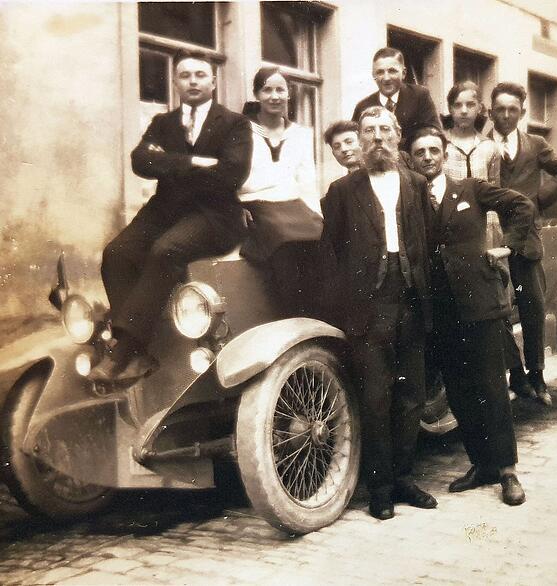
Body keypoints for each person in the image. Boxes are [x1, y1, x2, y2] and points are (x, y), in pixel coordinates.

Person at [90, 50, 252, 381]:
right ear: (175, 81)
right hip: (165, 210)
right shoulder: (162, 123)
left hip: (215, 214)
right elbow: (139, 161)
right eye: (185, 75)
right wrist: (193, 162)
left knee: (166, 250)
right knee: (116, 254)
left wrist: (168, 162)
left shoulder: (235, 123)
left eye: (200, 75)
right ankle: (138, 355)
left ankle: (124, 350)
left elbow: (232, 174)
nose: (193, 81)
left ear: (213, 81)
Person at [321, 106, 436, 520]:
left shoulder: (417, 184)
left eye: (385, 129)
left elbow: (429, 245)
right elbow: (330, 255)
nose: (377, 137)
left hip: (412, 301)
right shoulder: (342, 191)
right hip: (369, 307)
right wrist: (346, 309)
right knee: (376, 398)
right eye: (369, 131)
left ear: (398, 134)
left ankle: (405, 479)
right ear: (361, 138)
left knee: (410, 398)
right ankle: (380, 489)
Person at [410, 125, 534, 506]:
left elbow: (522, 206)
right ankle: (481, 464)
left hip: (479, 304)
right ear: (412, 159)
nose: (428, 156)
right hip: (440, 309)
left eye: (434, 149)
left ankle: (508, 472)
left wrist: (507, 248)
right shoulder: (410, 198)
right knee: (460, 392)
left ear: (445, 153)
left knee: (492, 388)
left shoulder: (471, 189)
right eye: (420, 152)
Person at [489, 82, 557, 406]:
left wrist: (538, 200)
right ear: (490, 112)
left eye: (512, 109)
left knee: (533, 306)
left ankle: (538, 375)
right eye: (499, 109)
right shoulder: (483, 146)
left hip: (526, 236)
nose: (505, 115)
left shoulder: (535, 144)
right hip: (492, 235)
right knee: (496, 308)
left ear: (522, 112)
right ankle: (516, 372)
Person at [238, 66, 322, 265]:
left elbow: (307, 182)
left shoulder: (300, 134)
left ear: (289, 93)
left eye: (280, 90)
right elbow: (227, 174)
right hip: (255, 206)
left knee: (321, 240)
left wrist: (317, 216)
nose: (274, 96)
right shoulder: (241, 130)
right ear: (256, 94)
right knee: (284, 243)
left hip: (294, 206)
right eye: (267, 90)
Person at [352, 47, 441, 149]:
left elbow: (434, 134)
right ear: (373, 75)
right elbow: (355, 141)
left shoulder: (419, 96)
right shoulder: (363, 107)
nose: (386, 78)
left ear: (403, 73)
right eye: (380, 72)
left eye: (392, 71)